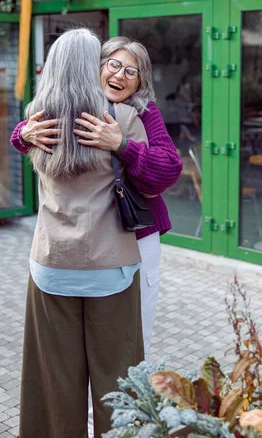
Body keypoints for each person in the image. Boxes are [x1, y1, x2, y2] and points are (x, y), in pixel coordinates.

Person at [11, 37, 183, 360]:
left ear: (140, 82)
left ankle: (126, 409)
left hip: (136, 236)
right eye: (114, 65)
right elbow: (30, 129)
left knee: (133, 340)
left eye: (132, 72)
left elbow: (169, 169)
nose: (120, 76)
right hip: (85, 252)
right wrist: (22, 134)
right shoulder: (74, 105)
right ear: (97, 67)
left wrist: (123, 146)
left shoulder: (142, 113)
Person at [18, 28, 147, 438]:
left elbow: (23, 141)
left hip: (51, 265)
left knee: (54, 384)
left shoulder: (35, 118)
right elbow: (153, 180)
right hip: (111, 269)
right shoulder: (121, 117)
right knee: (119, 384)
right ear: (92, 66)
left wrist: (22, 133)